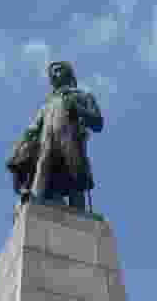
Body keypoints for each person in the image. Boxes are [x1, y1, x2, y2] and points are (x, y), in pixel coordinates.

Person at [6, 61, 103, 211]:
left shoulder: (83, 96)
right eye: (52, 73)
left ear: (68, 73)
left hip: (71, 145)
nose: (53, 74)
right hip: (46, 147)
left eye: (58, 70)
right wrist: (22, 145)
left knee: (75, 182)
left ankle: (80, 214)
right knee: (43, 174)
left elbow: (98, 122)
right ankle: (37, 200)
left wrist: (78, 109)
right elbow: (33, 128)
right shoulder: (47, 104)